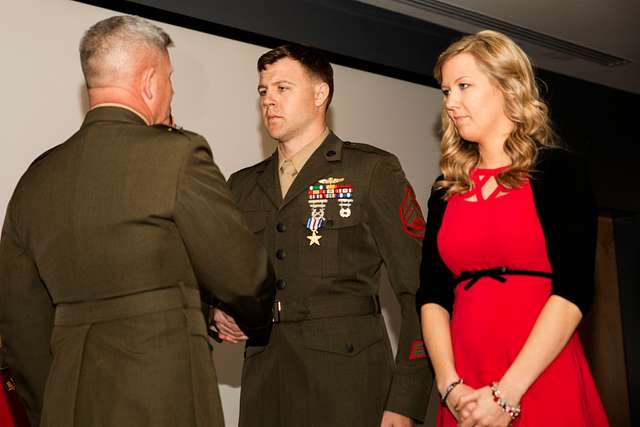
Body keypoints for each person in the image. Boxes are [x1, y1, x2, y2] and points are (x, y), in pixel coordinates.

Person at [0, 15, 275, 427]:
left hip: (68, 404)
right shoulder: (177, 156)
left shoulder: (36, 179)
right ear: (149, 81)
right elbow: (244, 276)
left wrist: (53, 404)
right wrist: (256, 322)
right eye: (169, 77)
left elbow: (18, 322)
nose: (171, 90)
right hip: (165, 399)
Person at [211, 44, 433, 427]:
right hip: (267, 382)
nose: (269, 101)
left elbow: (420, 291)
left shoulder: (370, 171)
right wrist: (215, 311)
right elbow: (215, 274)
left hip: (347, 384)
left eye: (283, 88)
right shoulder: (243, 185)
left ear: (320, 94)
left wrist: (406, 401)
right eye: (263, 91)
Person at [416, 30, 609, 427]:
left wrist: (507, 394)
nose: (451, 102)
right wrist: (449, 385)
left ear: (508, 87)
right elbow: (432, 293)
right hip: (464, 386)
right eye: (446, 90)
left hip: (538, 373)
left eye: (464, 86)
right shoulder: (445, 188)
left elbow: (574, 290)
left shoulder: (557, 171)